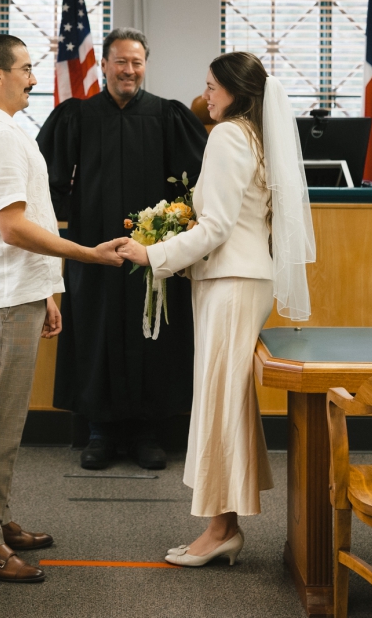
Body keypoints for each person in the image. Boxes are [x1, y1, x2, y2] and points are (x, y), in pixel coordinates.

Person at [117, 51, 315, 566]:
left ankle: (220, 529)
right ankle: (222, 523)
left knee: (220, 403)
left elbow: (218, 226)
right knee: (227, 401)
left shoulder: (228, 136)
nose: (206, 95)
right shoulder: (256, 137)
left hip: (232, 281)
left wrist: (152, 253)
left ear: (236, 92)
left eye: (212, 87)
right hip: (243, 278)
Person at [0, 34, 129, 582]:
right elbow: (12, 228)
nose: (34, 78)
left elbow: (27, 211)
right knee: (0, 425)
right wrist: (84, 256)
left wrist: (49, 290)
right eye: (26, 69)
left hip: (22, 292)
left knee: (6, 422)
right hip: (6, 295)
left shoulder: (7, 131)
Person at [37, 28, 208, 470]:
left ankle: (148, 433)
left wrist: (174, 232)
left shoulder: (168, 116)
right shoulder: (76, 116)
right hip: (91, 249)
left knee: (154, 336)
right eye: (120, 61)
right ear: (103, 65)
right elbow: (46, 182)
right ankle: (100, 431)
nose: (129, 70)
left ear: (145, 65)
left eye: (137, 62)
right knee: (95, 333)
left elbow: (197, 184)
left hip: (152, 254)